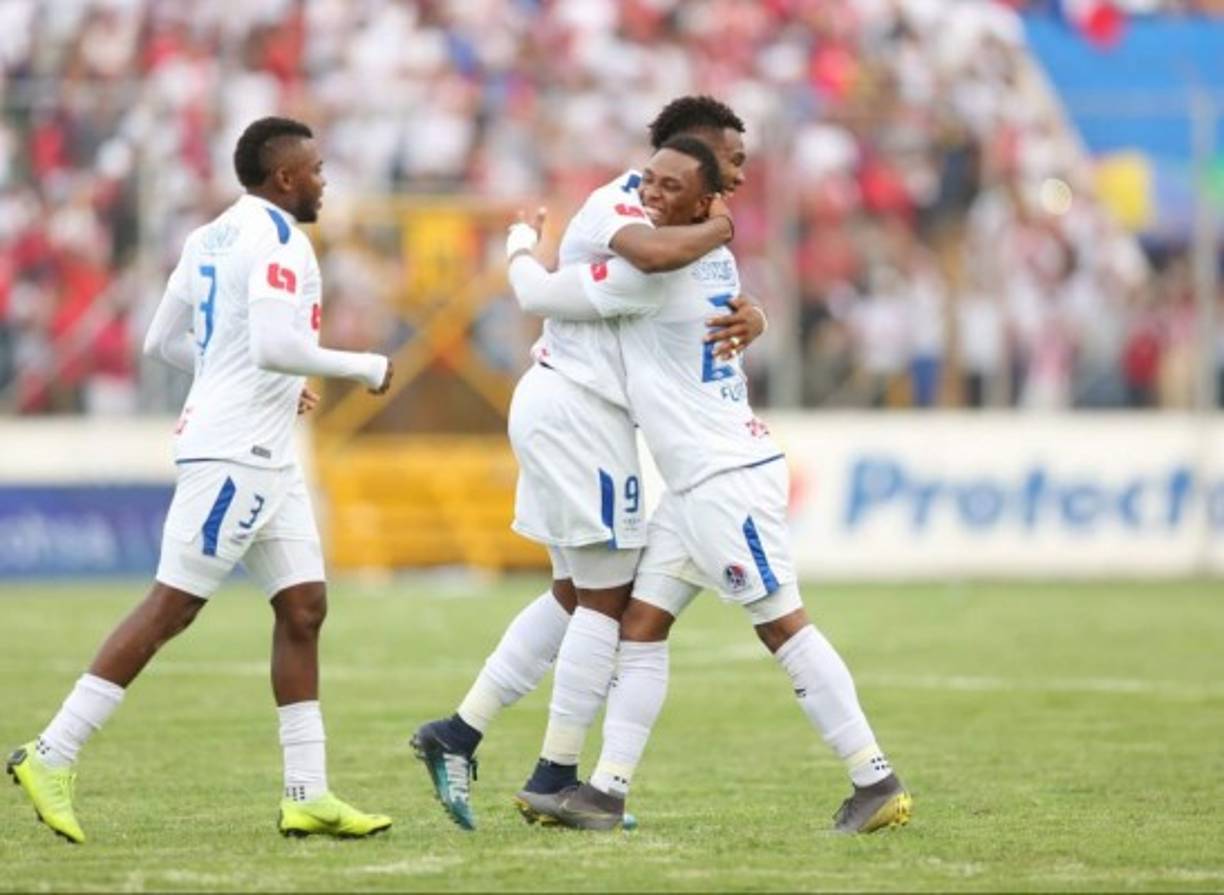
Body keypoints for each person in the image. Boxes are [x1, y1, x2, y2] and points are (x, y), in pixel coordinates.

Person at [504, 136, 912, 835]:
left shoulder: (656, 266)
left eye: (670, 190)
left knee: (782, 623)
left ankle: (875, 777)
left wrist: (519, 244)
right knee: (640, 625)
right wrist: (751, 298)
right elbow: (720, 287)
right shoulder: (710, 253)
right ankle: (605, 790)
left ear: (705, 201)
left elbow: (549, 292)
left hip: (724, 478)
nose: (650, 198)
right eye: (649, 185)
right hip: (692, 484)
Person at [6, 117, 395, 844]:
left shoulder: (210, 235)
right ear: (284, 178)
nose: (323, 180)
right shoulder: (282, 240)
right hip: (235, 452)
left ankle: (307, 792)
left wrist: (253, 378)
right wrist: (363, 365)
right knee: (171, 608)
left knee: (304, 606)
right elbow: (279, 343)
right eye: (314, 168)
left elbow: (165, 340)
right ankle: (51, 751)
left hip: (264, 449)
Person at [411, 96, 764, 831]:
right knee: (609, 599)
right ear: (689, 155)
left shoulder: (684, 222)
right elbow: (586, 282)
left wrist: (751, 311)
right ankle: (556, 775)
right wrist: (516, 247)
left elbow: (704, 292)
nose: (740, 171)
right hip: (580, 412)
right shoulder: (629, 210)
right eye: (730, 157)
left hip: (564, 406)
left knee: (576, 594)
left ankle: (461, 731)